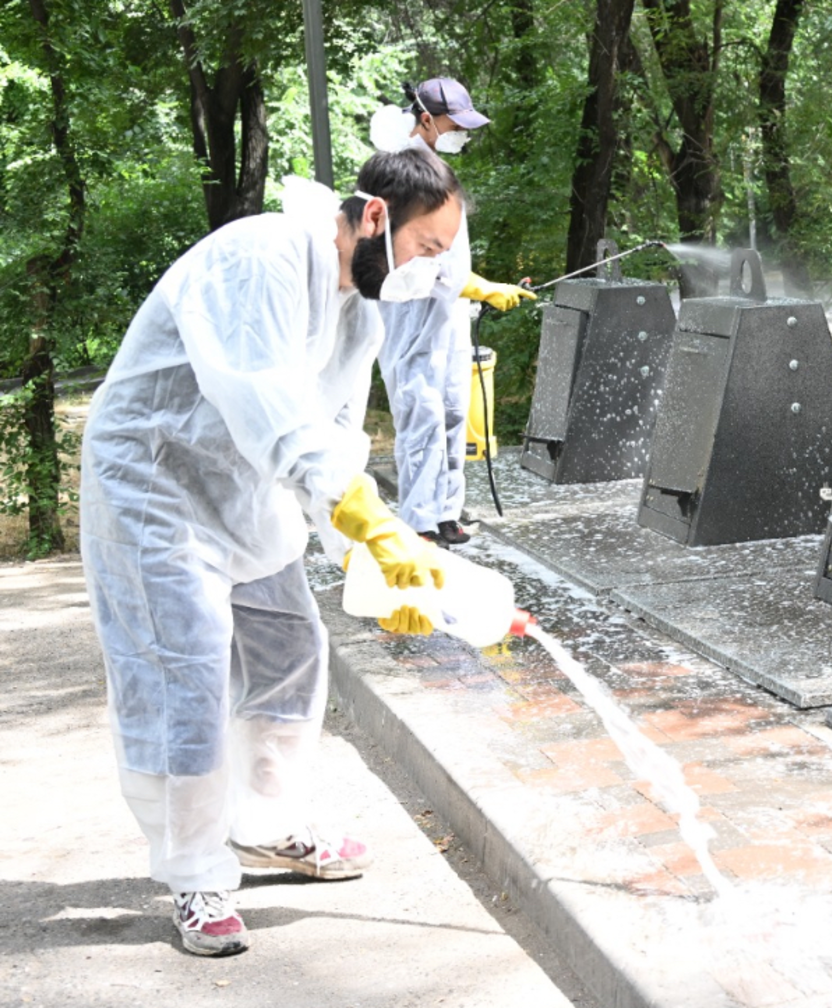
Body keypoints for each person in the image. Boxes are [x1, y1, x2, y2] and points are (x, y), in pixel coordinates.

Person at [81, 148, 466, 957]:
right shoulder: (263, 254)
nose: (427, 273)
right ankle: (195, 874)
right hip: (157, 484)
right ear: (374, 218)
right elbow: (265, 395)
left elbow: (328, 437)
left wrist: (367, 545)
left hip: (243, 486)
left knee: (291, 646)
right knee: (181, 669)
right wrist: (368, 520)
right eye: (426, 249)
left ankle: (268, 828)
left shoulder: (358, 309)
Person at [374, 77, 533, 546]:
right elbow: (419, 258)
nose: (462, 133)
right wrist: (479, 287)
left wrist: (474, 286)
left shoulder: (433, 167)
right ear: (425, 120)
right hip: (413, 316)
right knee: (421, 414)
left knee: (449, 412)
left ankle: (445, 513)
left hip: (448, 314)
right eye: (454, 124)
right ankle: (420, 523)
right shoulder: (401, 174)